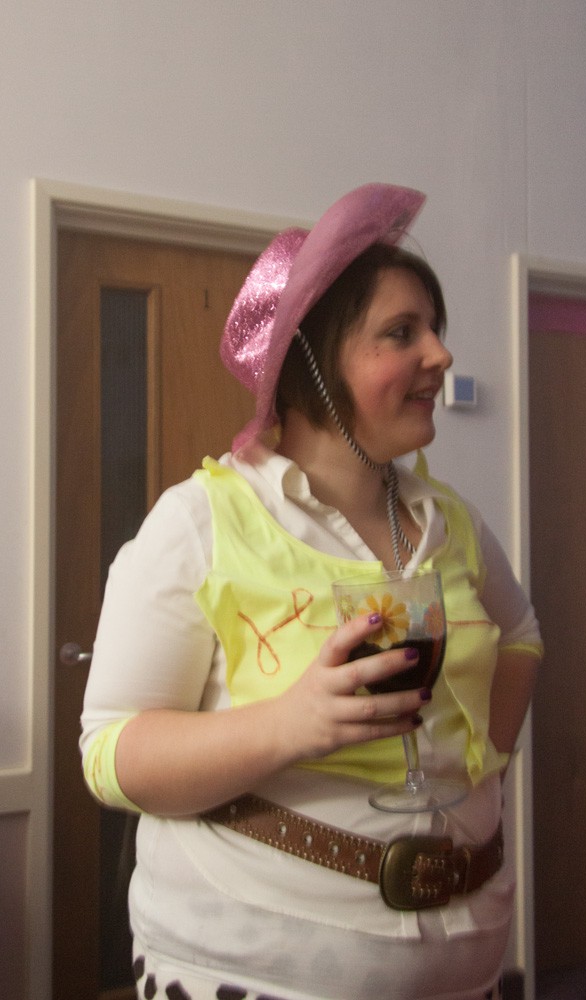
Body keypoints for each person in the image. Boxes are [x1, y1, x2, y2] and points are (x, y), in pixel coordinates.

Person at [80, 183, 542, 1000]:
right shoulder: (200, 521)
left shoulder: (452, 523)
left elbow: (520, 636)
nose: (439, 355)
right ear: (313, 366)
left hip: (465, 972)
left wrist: (481, 774)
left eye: (435, 330)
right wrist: (290, 725)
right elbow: (111, 755)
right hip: (241, 975)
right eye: (401, 332)